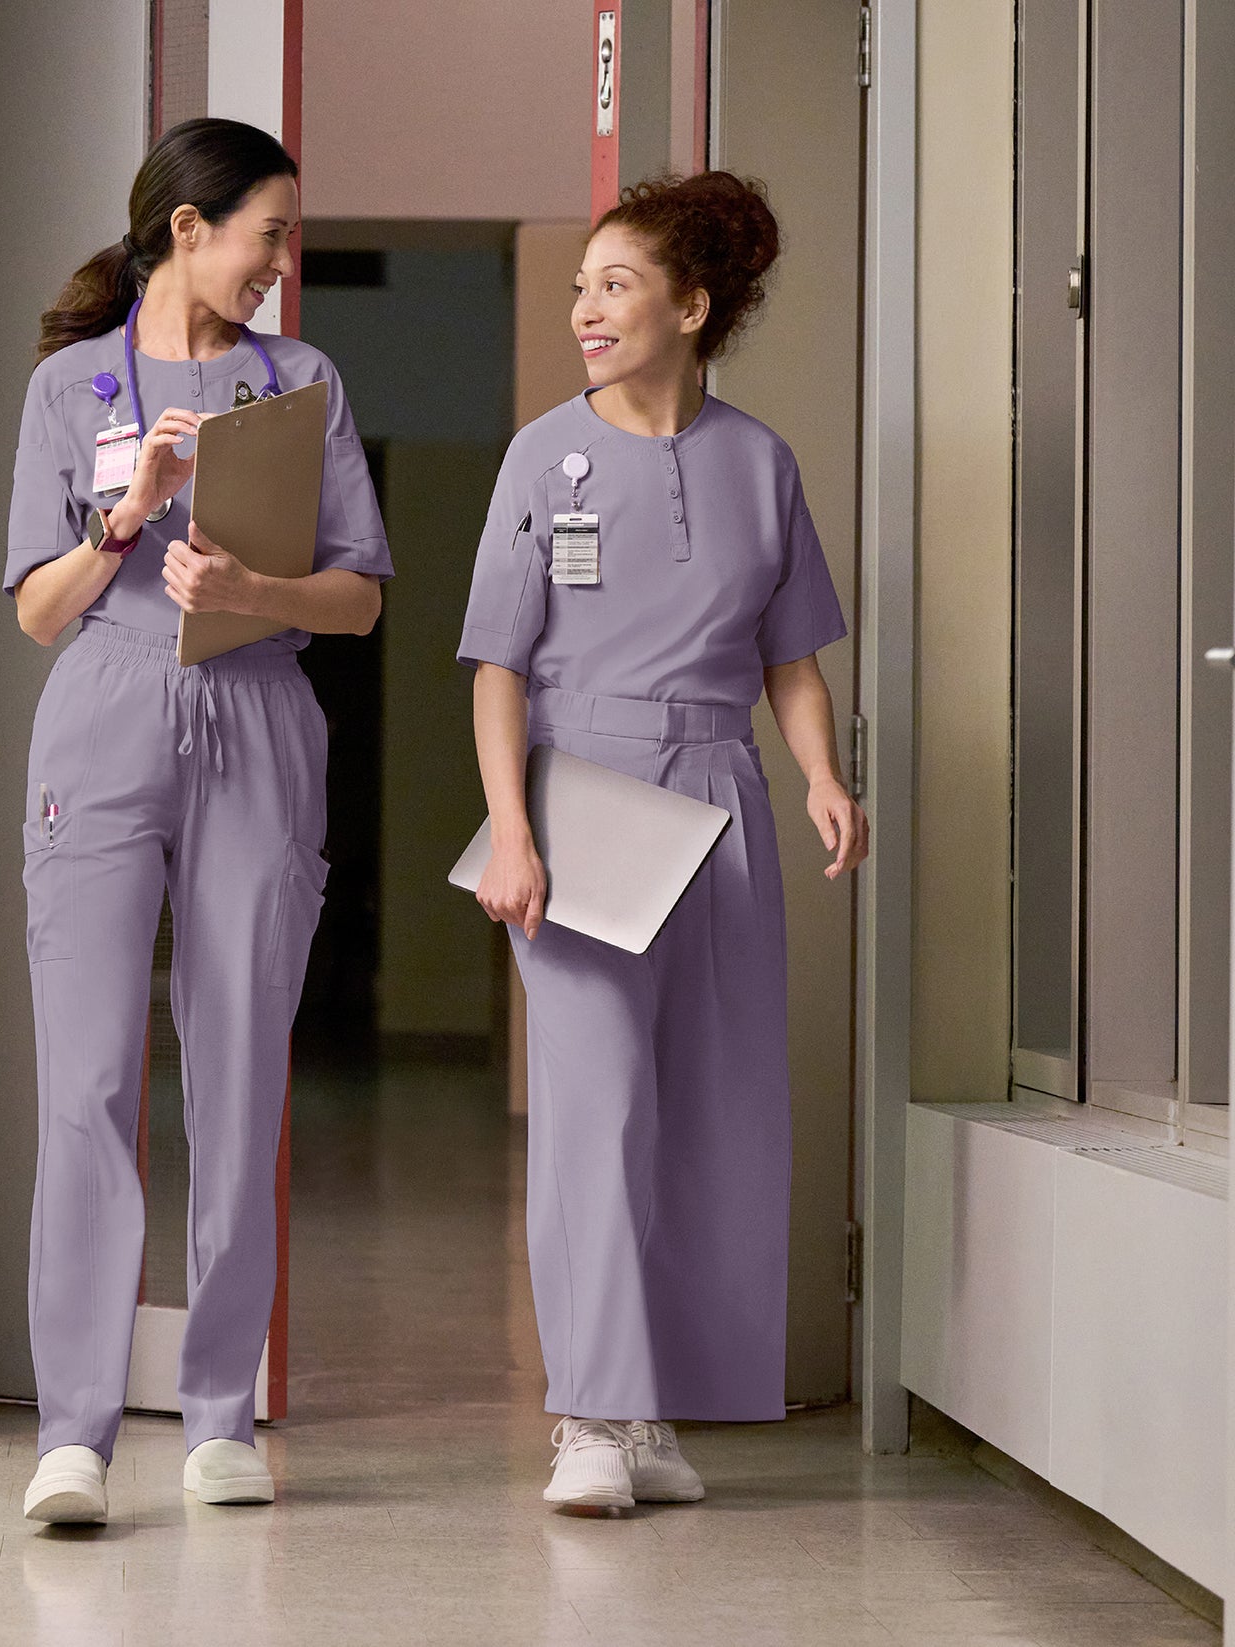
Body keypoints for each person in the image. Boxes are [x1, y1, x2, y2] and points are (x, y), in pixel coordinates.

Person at [457, 171, 870, 1512]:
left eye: (616, 285)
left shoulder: (761, 462)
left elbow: (790, 655)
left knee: (715, 1115)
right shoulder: (541, 457)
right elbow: (495, 669)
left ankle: (652, 1416)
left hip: (722, 792)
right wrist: (512, 829)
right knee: (598, 1111)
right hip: (577, 792)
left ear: (694, 307)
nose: (586, 308)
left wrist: (819, 775)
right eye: (581, 285)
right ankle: (587, 1414)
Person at [4, 117, 390, 1525]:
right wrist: (128, 518)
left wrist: (254, 596)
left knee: (238, 1073)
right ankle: (75, 1435)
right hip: (103, 722)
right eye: (267, 235)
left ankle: (222, 1411)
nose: (283, 264)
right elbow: (40, 613)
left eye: (287, 239)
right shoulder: (70, 389)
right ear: (187, 229)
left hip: (259, 710)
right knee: (90, 1083)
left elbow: (361, 596)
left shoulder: (304, 384)